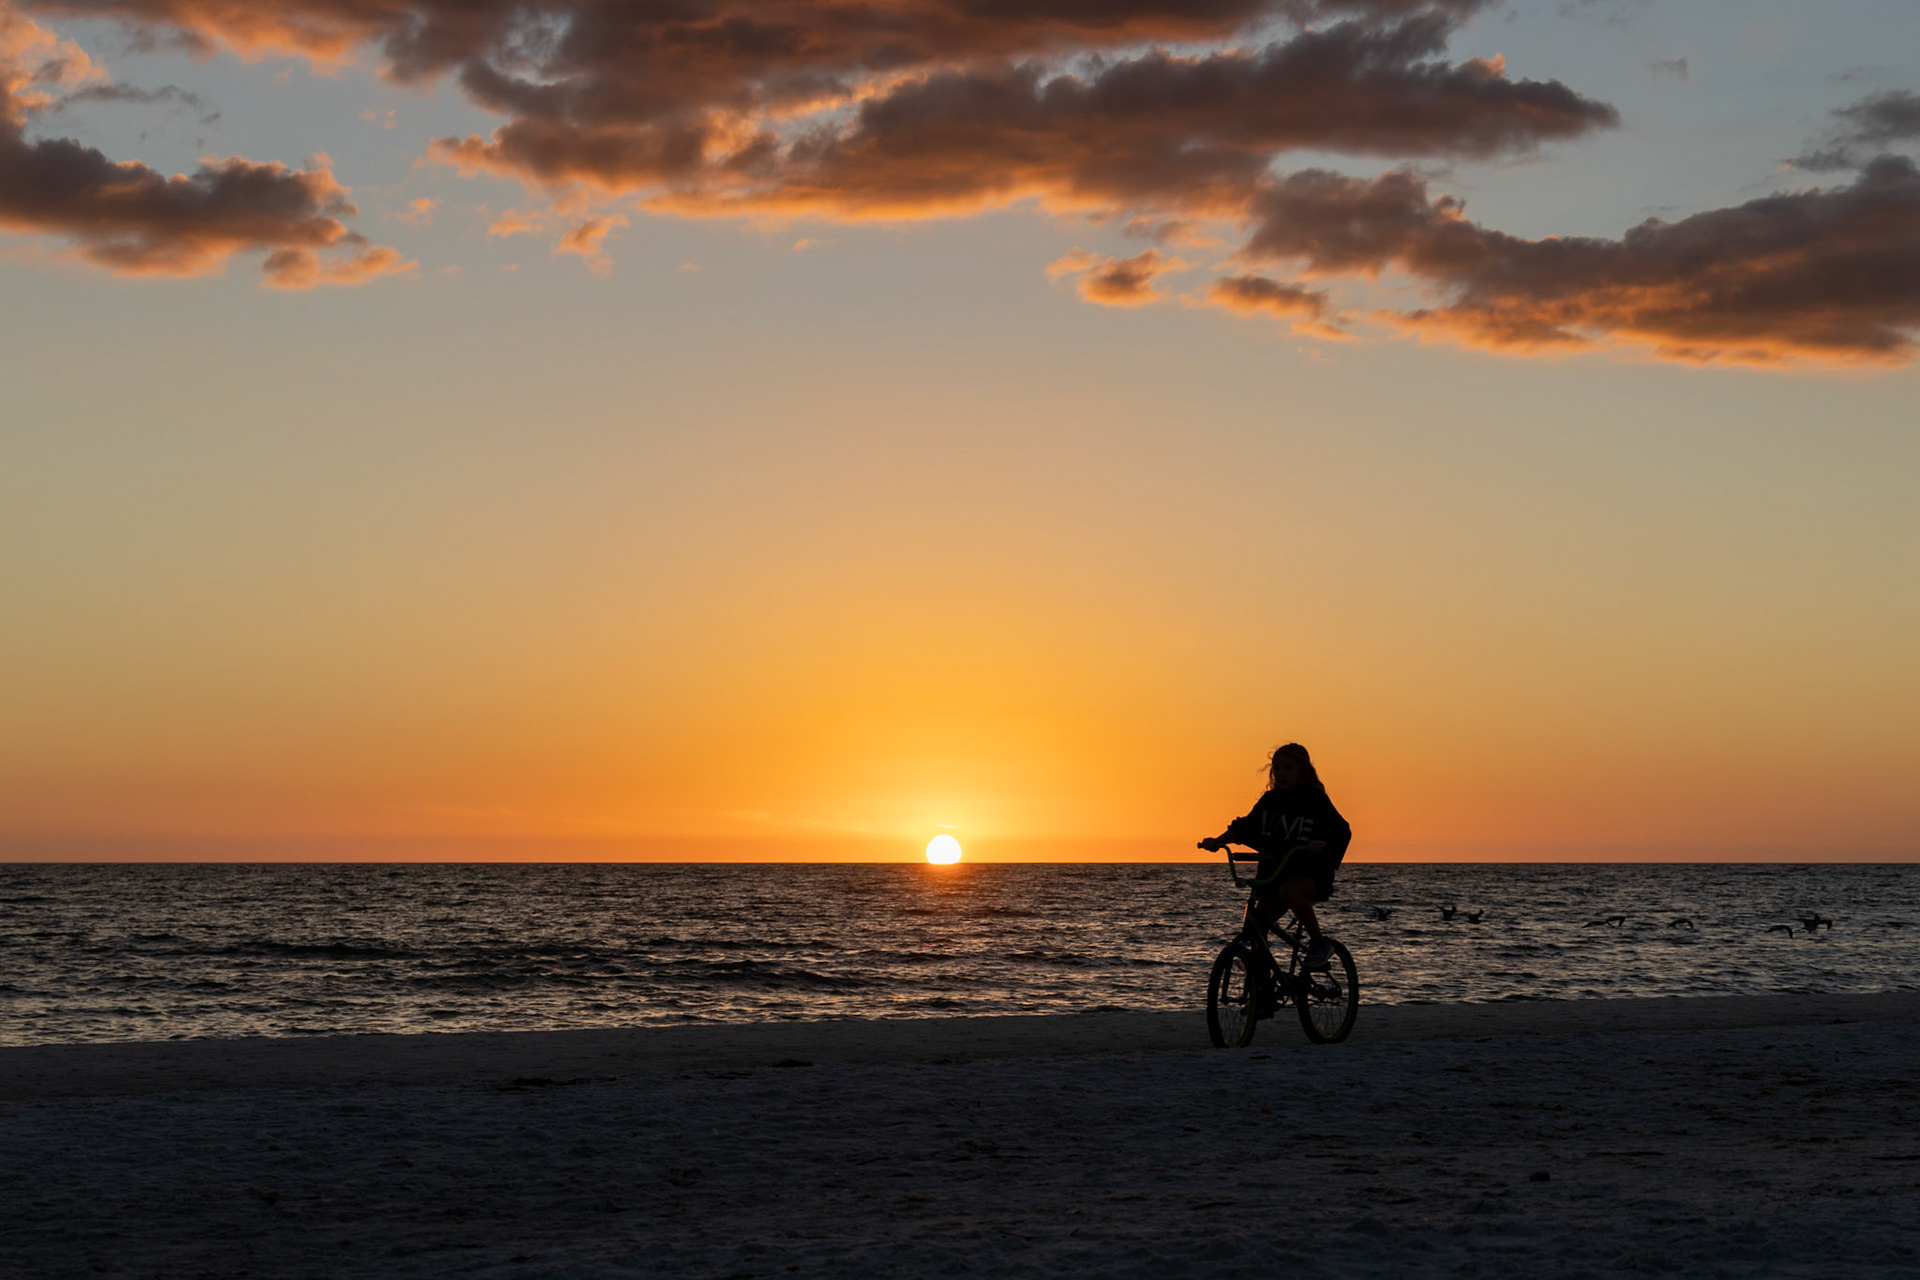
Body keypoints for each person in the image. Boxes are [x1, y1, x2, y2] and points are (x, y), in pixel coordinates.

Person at [1199, 743, 1351, 968]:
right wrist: (1218, 841)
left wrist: (1322, 845)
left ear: (1303, 770)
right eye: (1277, 769)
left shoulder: (1315, 800)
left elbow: (1341, 830)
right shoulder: (1270, 800)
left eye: (1288, 768)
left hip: (1310, 873)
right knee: (1254, 929)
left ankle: (1319, 943)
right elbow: (1245, 826)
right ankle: (1262, 992)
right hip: (1274, 875)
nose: (1281, 774)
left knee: (1289, 891)